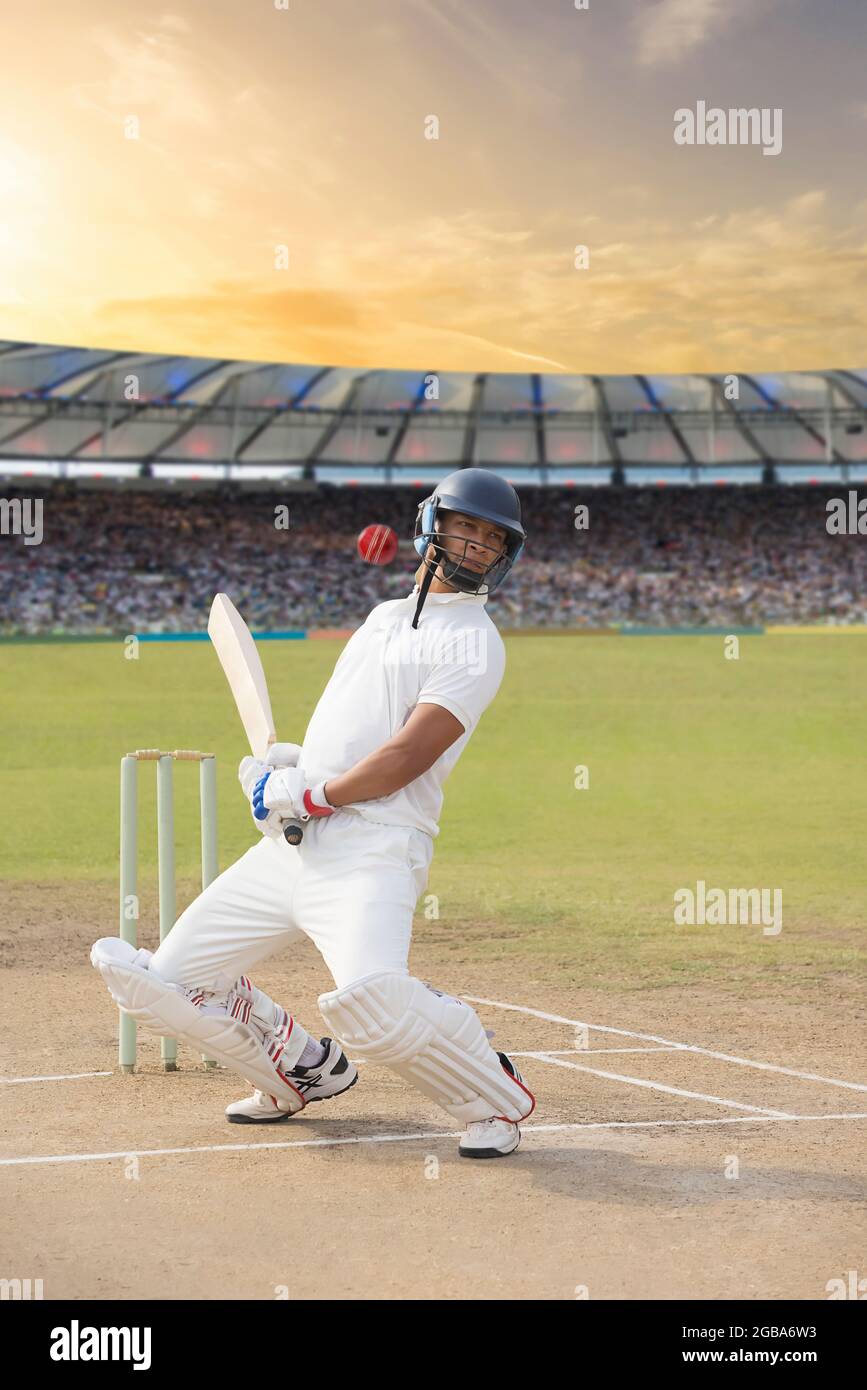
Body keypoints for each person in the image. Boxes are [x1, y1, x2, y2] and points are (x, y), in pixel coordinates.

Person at [92, 468, 536, 1158]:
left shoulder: (474, 642)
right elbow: (352, 732)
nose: (476, 546)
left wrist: (311, 794)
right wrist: (292, 766)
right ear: (432, 524)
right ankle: (300, 1069)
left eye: (491, 538)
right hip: (293, 847)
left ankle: (493, 1098)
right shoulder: (383, 617)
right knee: (159, 985)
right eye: (465, 527)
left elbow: (407, 754)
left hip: (375, 848)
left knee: (372, 1005)